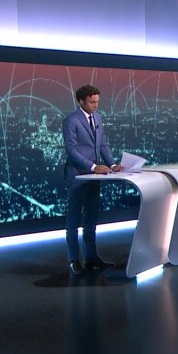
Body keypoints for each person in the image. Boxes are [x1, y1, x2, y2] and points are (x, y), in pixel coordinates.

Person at [63, 84, 121, 275]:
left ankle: (91, 257)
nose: (96, 105)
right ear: (81, 101)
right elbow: (71, 151)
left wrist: (112, 164)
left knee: (91, 218)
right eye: (92, 102)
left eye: (97, 102)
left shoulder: (98, 118)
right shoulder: (71, 120)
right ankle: (74, 260)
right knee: (73, 219)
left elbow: (102, 145)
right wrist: (94, 167)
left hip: (94, 177)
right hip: (78, 176)